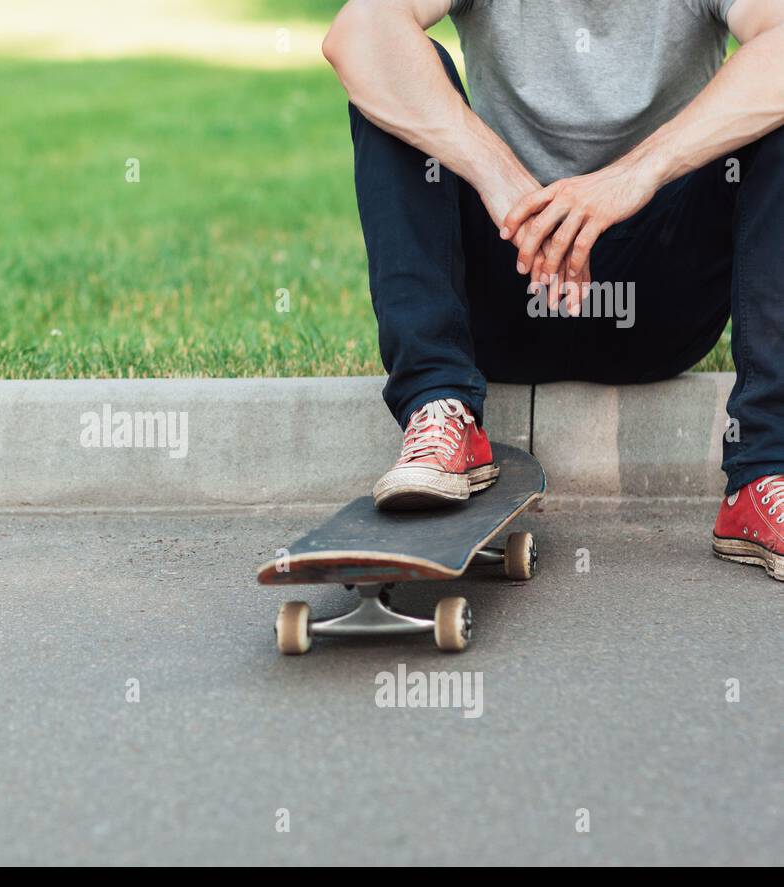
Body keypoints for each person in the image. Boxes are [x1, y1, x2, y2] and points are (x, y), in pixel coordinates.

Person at [321, 0, 784, 581]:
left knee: (774, 107)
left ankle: (764, 470)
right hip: (502, 287)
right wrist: (502, 178)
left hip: (659, 303)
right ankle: (441, 410)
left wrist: (633, 175)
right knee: (393, 76)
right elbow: (359, 31)